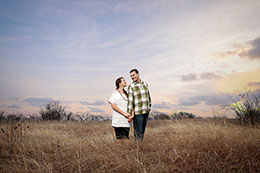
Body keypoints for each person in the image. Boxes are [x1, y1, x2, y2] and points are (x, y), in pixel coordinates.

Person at [127, 69, 151, 140]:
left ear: (138, 74)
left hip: (146, 111)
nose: (132, 77)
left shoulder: (145, 84)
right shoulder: (131, 86)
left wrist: (149, 105)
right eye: (131, 76)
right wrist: (129, 114)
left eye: (133, 75)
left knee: (143, 132)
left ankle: (141, 148)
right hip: (138, 112)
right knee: (138, 132)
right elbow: (130, 100)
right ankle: (137, 148)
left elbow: (148, 96)